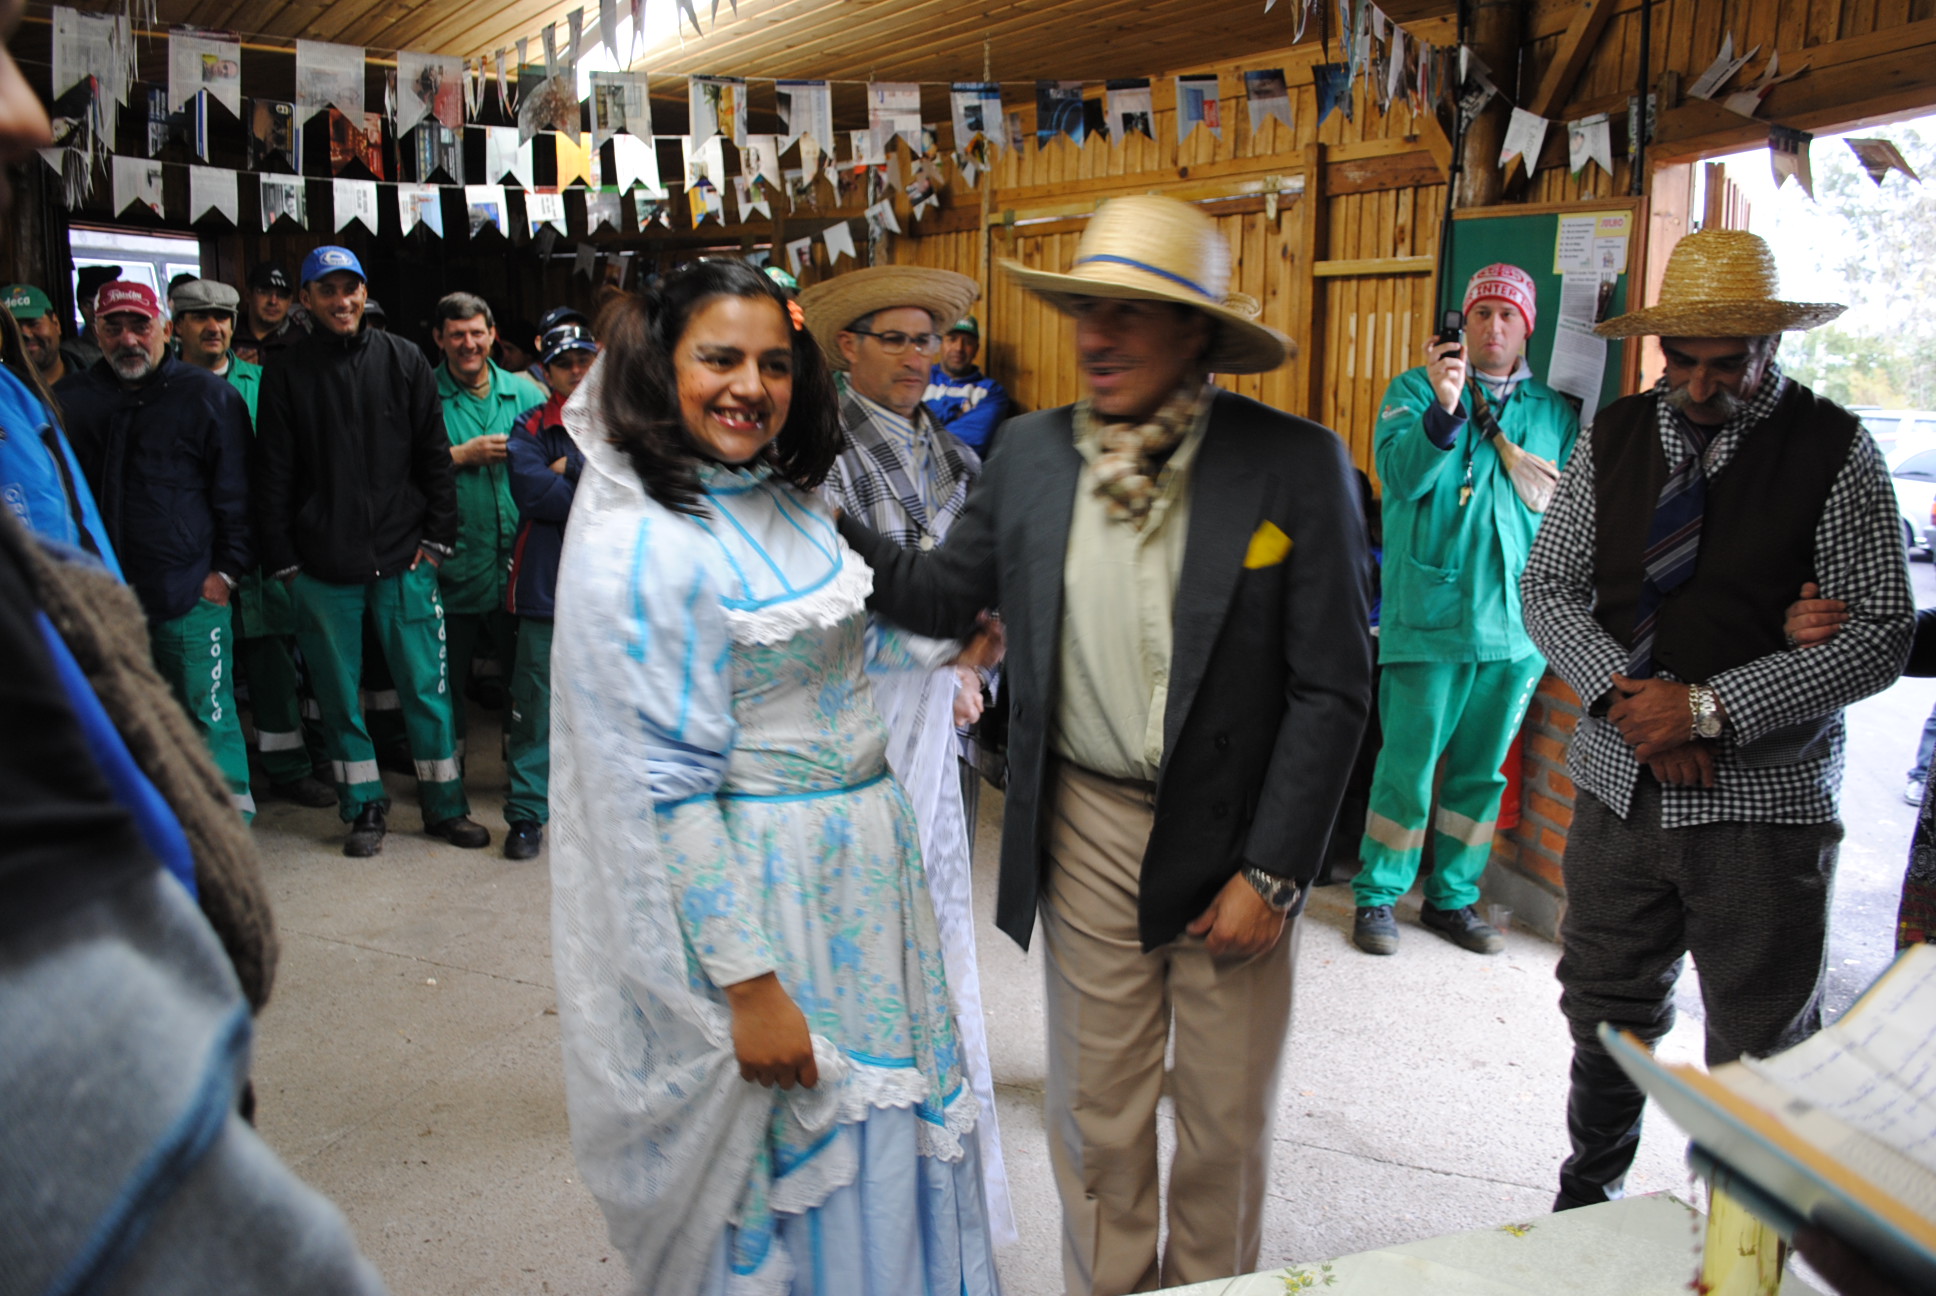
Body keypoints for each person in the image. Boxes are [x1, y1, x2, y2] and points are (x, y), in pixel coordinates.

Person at [839, 194, 1373, 1295]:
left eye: (1131, 313)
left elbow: (1333, 687)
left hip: (1233, 837)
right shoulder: (1033, 456)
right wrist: (809, 514)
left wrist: (1274, 872)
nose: (1097, 336)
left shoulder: (1292, 464)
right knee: (1098, 1120)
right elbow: (942, 592)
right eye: (1087, 309)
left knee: (1222, 1130)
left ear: (1196, 335)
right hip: (1084, 820)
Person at [547, 259, 1001, 1295]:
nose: (748, 385)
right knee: (807, 1149)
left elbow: (832, 651)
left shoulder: (787, 500)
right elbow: (668, 794)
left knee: (898, 1131)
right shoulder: (648, 545)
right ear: (662, 371)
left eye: (770, 362)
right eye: (718, 359)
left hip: (871, 881)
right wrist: (751, 990)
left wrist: (945, 654)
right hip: (771, 898)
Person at [1519, 228, 1914, 1212]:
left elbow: (1878, 636)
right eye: (1679, 362)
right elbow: (1548, 590)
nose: (1698, 387)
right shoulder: (1613, 435)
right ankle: (1586, 1199)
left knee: (1759, 1041)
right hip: (1620, 792)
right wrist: (1637, 705)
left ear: (1770, 348)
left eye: (1726, 363)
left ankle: (1739, 1242)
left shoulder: (1835, 450)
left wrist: (1705, 711)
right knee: (1605, 1012)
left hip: (1762, 811)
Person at [799, 263, 1016, 1243]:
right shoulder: (818, 464)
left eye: (930, 341)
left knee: (936, 940)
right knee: (854, 956)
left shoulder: (966, 467)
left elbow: (995, 607)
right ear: (849, 348)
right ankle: (856, 1180)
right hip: (846, 743)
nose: (919, 358)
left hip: (943, 744)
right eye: (898, 338)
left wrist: (979, 673)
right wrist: (939, 649)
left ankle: (931, 1156)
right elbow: (818, 615)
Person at [1351, 264, 1579, 957]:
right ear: (1463, 324)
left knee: (1483, 773)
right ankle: (1378, 895)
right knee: (1408, 766)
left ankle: (1452, 899)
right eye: (1480, 314)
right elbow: (1404, 477)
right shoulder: (1413, 391)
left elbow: (1568, 515)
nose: (1493, 327)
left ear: (1526, 327)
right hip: (1431, 617)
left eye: (1507, 316)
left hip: (1515, 631)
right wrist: (1446, 409)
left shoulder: (1554, 416)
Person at [255, 246, 488, 856]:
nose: (342, 301)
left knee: (427, 690)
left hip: (405, 561)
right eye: (327, 290)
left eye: (351, 288)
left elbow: (434, 460)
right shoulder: (287, 370)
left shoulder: (404, 359)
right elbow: (273, 474)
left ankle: (444, 807)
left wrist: (436, 541)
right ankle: (363, 808)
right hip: (321, 568)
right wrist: (284, 562)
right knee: (338, 696)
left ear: (363, 293)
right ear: (306, 300)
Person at [57, 281, 257, 820]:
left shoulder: (209, 396)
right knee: (121, 716)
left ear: (165, 330)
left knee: (207, 714)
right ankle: (147, 831)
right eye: (113, 326)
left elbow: (239, 493)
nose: (128, 339)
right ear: (94, 331)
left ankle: (225, 831)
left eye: (140, 325)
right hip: (103, 599)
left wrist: (226, 574)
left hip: (191, 593)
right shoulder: (71, 401)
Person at [172, 277, 335, 810]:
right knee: (202, 674)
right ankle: (208, 779)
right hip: (197, 549)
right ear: (178, 326)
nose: (213, 327)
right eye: (200, 318)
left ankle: (287, 767)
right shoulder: (164, 386)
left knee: (273, 663)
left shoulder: (266, 382)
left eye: (222, 317)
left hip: (262, 546)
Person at [431, 292, 546, 762]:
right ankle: (447, 779)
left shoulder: (525, 394)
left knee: (523, 678)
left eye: (477, 332)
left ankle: (518, 774)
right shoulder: (422, 393)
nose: (468, 343)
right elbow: (398, 468)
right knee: (444, 680)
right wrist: (460, 456)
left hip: (519, 563)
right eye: (457, 334)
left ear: (493, 335)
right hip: (451, 564)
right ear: (439, 338)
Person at [500, 315, 596, 860]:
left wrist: (572, 468)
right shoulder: (529, 426)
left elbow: (631, 488)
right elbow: (537, 497)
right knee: (534, 709)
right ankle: (527, 817)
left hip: (607, 593)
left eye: (585, 360)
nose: (577, 371)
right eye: (565, 363)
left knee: (606, 707)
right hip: (545, 590)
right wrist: (589, 478)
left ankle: (600, 815)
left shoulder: (624, 425)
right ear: (548, 370)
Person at [922, 314, 1009, 454]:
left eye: (967, 342)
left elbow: (966, 444)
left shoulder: (991, 392)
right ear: (939, 344)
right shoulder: (918, 377)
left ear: (976, 349)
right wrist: (953, 410)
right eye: (952, 339)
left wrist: (923, 416)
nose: (959, 348)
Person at [232, 262, 304, 366]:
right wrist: (229, 370)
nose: (273, 301)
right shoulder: (228, 334)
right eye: (264, 292)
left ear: (289, 302)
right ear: (248, 295)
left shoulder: (301, 342)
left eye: (281, 295)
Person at [6, 282, 73, 386]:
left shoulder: (95, 381)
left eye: (33, 323)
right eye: (13, 328)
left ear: (56, 324)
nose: (25, 334)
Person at [67, 263, 121, 369]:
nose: (95, 312)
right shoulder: (69, 354)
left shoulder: (132, 345)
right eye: (87, 304)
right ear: (79, 307)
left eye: (101, 304)